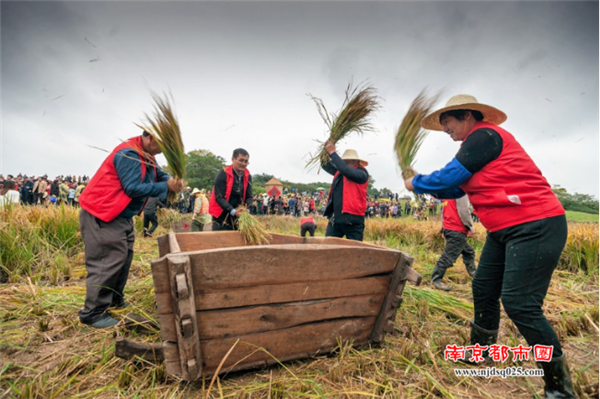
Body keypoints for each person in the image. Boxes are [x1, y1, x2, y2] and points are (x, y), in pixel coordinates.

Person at [404, 94, 574, 398]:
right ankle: (482, 350)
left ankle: (559, 387)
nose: (448, 131)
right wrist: (423, 182)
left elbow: (452, 175)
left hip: (535, 223)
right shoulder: (474, 147)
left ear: (468, 115)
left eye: (449, 124)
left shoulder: (484, 136)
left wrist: (417, 183)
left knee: (520, 302)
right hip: (503, 229)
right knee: (483, 287)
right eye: (444, 128)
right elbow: (455, 187)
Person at [78, 130, 183, 328]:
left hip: (121, 215)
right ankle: (93, 313)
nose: (163, 152)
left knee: (124, 257)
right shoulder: (129, 154)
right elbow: (132, 187)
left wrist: (171, 180)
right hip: (103, 213)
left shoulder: (147, 155)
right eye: (163, 146)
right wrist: (165, 187)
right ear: (151, 137)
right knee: (107, 259)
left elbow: (159, 174)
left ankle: (114, 301)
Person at [321, 140, 369, 241]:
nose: (344, 163)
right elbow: (325, 164)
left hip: (353, 221)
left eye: (347, 161)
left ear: (355, 161)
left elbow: (345, 170)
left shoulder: (361, 173)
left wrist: (333, 153)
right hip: (336, 219)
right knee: (328, 248)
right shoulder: (339, 172)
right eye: (343, 161)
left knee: (354, 252)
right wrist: (325, 152)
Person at [431, 196, 476, 291]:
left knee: (469, 252)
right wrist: (470, 227)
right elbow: (464, 211)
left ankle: (475, 276)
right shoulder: (461, 193)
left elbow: (443, 211)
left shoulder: (447, 193)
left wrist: (443, 229)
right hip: (457, 229)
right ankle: (435, 280)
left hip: (449, 228)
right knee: (448, 257)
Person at [209, 148, 253, 231]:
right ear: (233, 159)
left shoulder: (247, 176)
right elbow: (219, 197)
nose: (243, 164)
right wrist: (233, 211)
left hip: (238, 216)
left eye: (246, 161)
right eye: (241, 160)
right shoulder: (223, 174)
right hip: (222, 216)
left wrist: (246, 209)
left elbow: (249, 196)